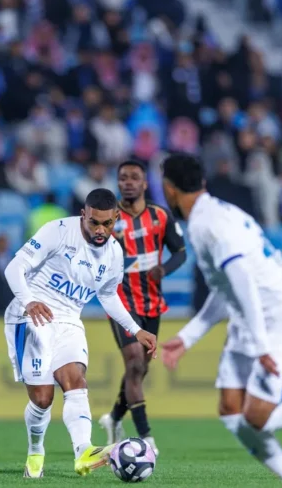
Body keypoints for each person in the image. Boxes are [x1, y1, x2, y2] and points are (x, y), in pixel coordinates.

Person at [158, 155, 282, 488]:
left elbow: (244, 283)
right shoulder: (212, 215)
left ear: (169, 189)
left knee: (257, 416)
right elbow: (226, 290)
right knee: (231, 409)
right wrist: (189, 337)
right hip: (249, 318)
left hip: (280, 318)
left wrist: (262, 345)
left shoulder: (209, 225)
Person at [3, 188, 158, 479]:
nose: (100, 230)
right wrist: (30, 301)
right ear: (83, 215)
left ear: (116, 217)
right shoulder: (57, 231)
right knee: (42, 398)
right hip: (30, 315)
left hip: (69, 319)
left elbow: (108, 295)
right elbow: (14, 268)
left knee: (76, 381)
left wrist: (136, 329)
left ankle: (83, 452)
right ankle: (36, 450)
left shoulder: (113, 253)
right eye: (94, 223)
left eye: (107, 224)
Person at [98, 160, 186, 455]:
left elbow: (181, 252)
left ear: (145, 184)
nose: (128, 182)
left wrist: (164, 269)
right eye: (123, 178)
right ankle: (146, 437)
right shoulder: (108, 219)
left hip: (151, 303)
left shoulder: (160, 216)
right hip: (121, 301)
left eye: (134, 177)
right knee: (134, 361)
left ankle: (113, 418)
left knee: (139, 370)